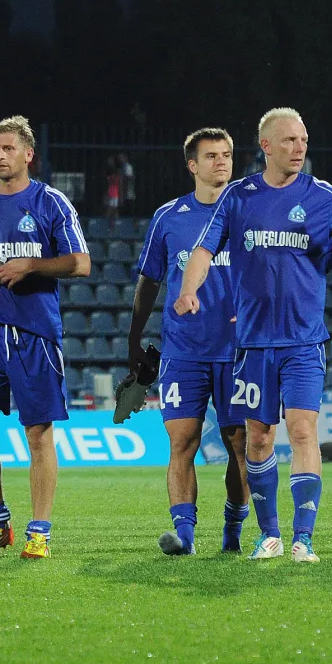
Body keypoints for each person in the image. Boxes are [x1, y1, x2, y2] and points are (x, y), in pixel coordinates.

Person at [176, 108, 332, 564]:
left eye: (304, 139)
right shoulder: (239, 197)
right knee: (257, 438)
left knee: (303, 430)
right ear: (267, 146)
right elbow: (203, 250)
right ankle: (269, 534)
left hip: (303, 342)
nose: (299, 147)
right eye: (290, 140)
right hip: (253, 344)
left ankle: (303, 538)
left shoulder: (322, 197)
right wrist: (189, 290)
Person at [0, 115, 91, 560]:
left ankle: (39, 531)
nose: (0, 156)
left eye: (8, 148)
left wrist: (32, 266)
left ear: (28, 154)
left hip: (35, 332)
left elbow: (81, 263)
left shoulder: (51, 202)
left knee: (37, 432)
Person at [129, 128, 250, 556]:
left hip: (238, 351)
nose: (221, 162)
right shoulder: (169, 217)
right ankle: (185, 536)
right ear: (192, 165)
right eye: (211, 155)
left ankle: (233, 531)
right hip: (184, 351)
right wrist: (134, 337)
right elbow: (149, 281)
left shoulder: (249, 214)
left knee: (240, 446)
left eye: (227, 154)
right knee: (182, 442)